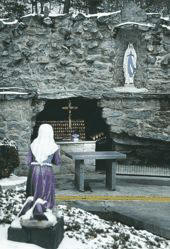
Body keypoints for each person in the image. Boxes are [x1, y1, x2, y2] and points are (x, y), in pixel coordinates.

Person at [19, 124, 61, 222]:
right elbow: (57, 162)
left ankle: (33, 206)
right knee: (46, 191)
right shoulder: (54, 146)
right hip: (47, 171)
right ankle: (44, 207)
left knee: (33, 191)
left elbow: (28, 161)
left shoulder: (33, 144)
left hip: (34, 171)